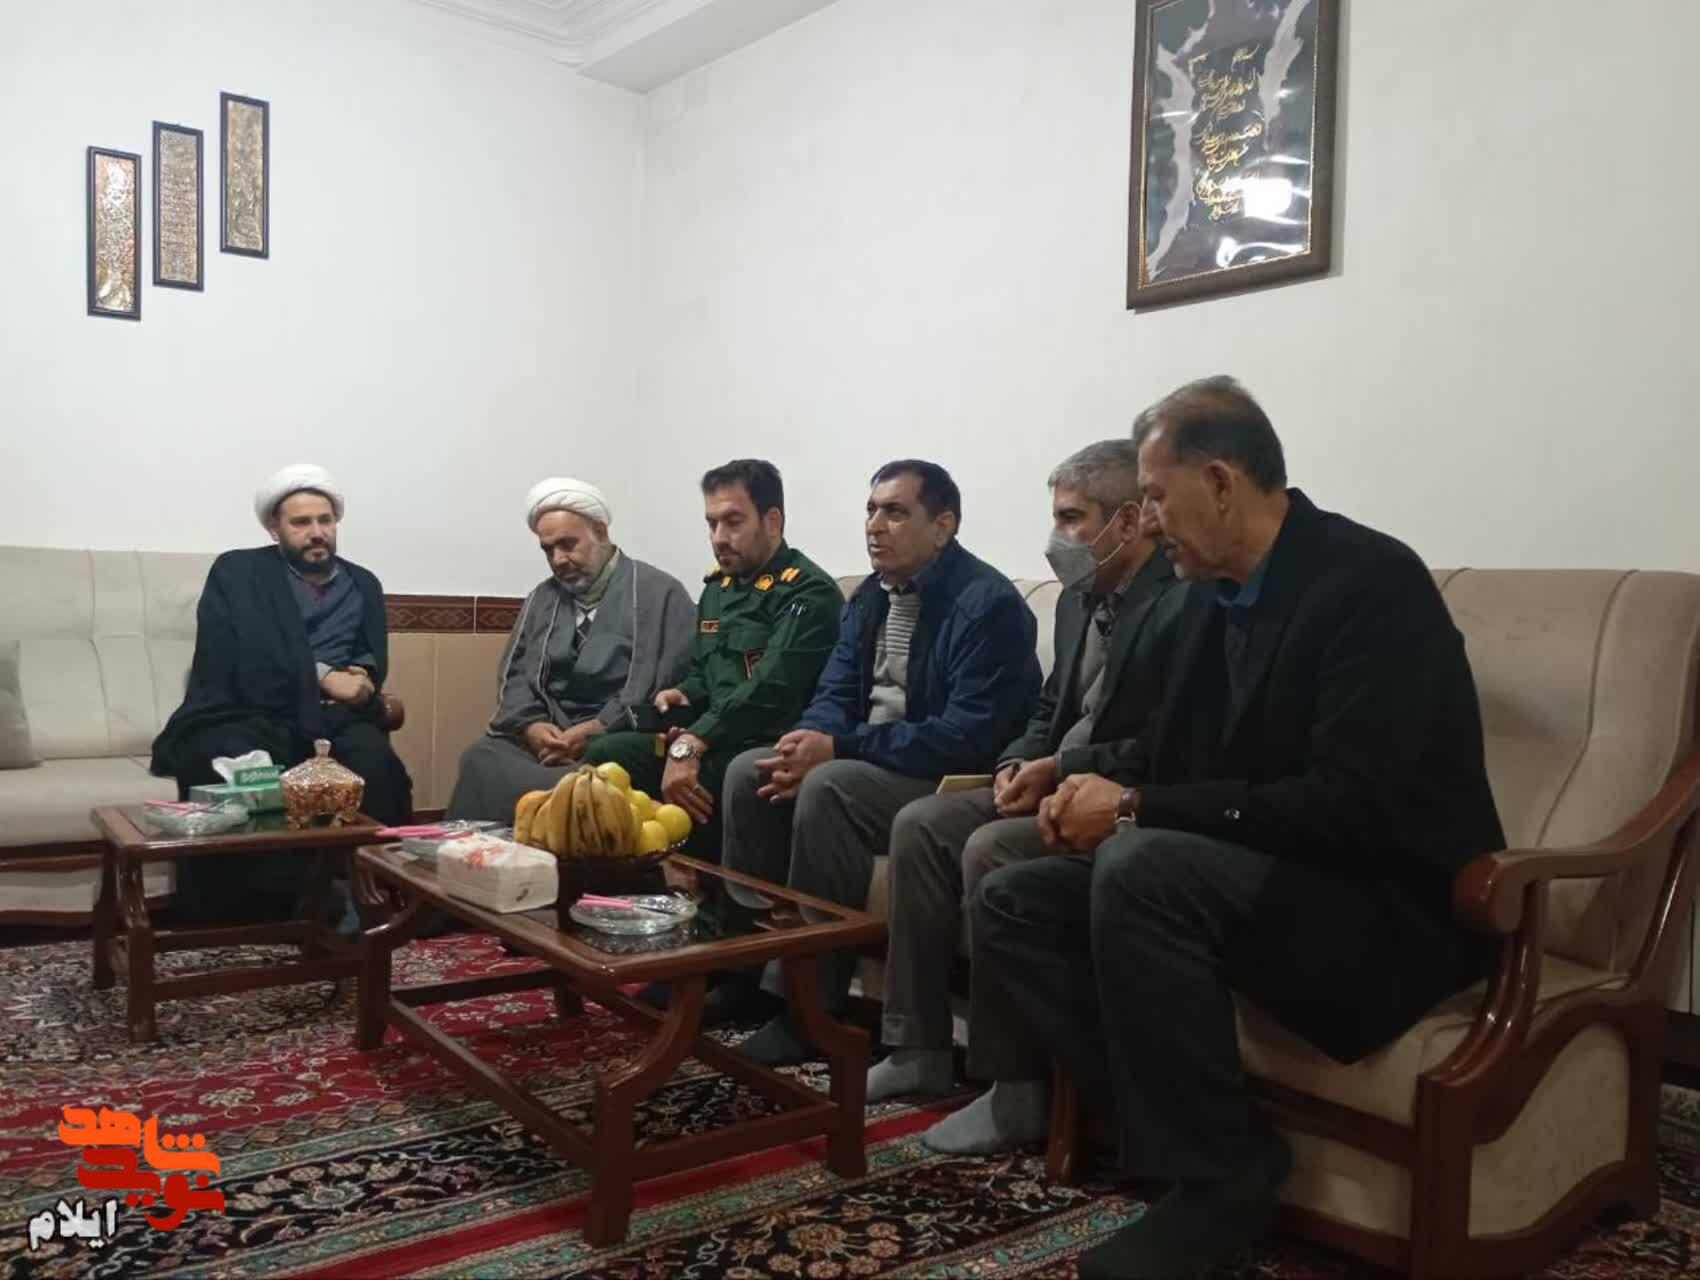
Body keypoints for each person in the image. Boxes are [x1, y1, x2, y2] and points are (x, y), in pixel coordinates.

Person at [972, 377, 1506, 1280]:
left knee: (1140, 867)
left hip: (1381, 905)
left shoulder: (1371, 584)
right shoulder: (1202, 597)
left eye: (1154, 497)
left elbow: (1352, 805)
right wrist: (1076, 776)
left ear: (1220, 482)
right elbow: (1171, 750)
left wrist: (1133, 809)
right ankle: (1200, 1138)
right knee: (1012, 901)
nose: (1146, 520)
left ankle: (1217, 1181)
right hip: (1257, 871)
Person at [868, 440, 1184, 1157]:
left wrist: (1062, 766)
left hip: (1113, 796)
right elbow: (1047, 707)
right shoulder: (1076, 601)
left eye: (1072, 519)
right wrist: (1017, 761)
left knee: (990, 849)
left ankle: (1015, 1086)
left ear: (1128, 521)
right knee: (921, 824)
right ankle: (916, 1046)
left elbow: (1164, 740)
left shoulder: (1179, 601)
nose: (1055, 538)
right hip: (1049, 776)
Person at [720, 460, 1041, 1065]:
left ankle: (810, 1009)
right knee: (749, 772)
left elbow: (966, 736)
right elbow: (836, 690)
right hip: (873, 755)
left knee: (831, 787)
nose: (875, 525)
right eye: (871, 510)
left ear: (943, 525)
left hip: (942, 774)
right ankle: (741, 970)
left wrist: (840, 749)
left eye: (895, 512)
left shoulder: (987, 604)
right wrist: (809, 738)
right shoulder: (871, 595)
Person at [150, 464, 414, 920]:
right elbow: (240, 656)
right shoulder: (238, 572)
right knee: (239, 760)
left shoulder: (363, 583)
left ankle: (371, 897)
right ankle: (265, 909)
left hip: (334, 717)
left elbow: (371, 654)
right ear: (274, 529)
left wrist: (362, 677)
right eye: (301, 522)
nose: (317, 532)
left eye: (325, 520)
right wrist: (321, 675)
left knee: (375, 762)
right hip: (249, 709)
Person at [581, 459, 843, 860]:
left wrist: (693, 741)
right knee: (607, 753)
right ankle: (622, 881)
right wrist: (684, 694)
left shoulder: (807, 592)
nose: (719, 538)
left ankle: (720, 893)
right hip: (715, 735)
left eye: (733, 522)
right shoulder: (718, 589)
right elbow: (705, 672)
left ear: (772, 521)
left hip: (766, 741)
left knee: (713, 776)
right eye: (711, 523)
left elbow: (769, 688)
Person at [445, 478, 694, 824]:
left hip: (613, 735)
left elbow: (667, 683)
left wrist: (597, 727)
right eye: (548, 550)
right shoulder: (542, 598)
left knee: (593, 776)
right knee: (479, 756)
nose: (558, 559)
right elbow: (516, 676)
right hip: (547, 740)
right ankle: (487, 855)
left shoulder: (660, 593)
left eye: (567, 544)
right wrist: (532, 727)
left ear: (601, 532)